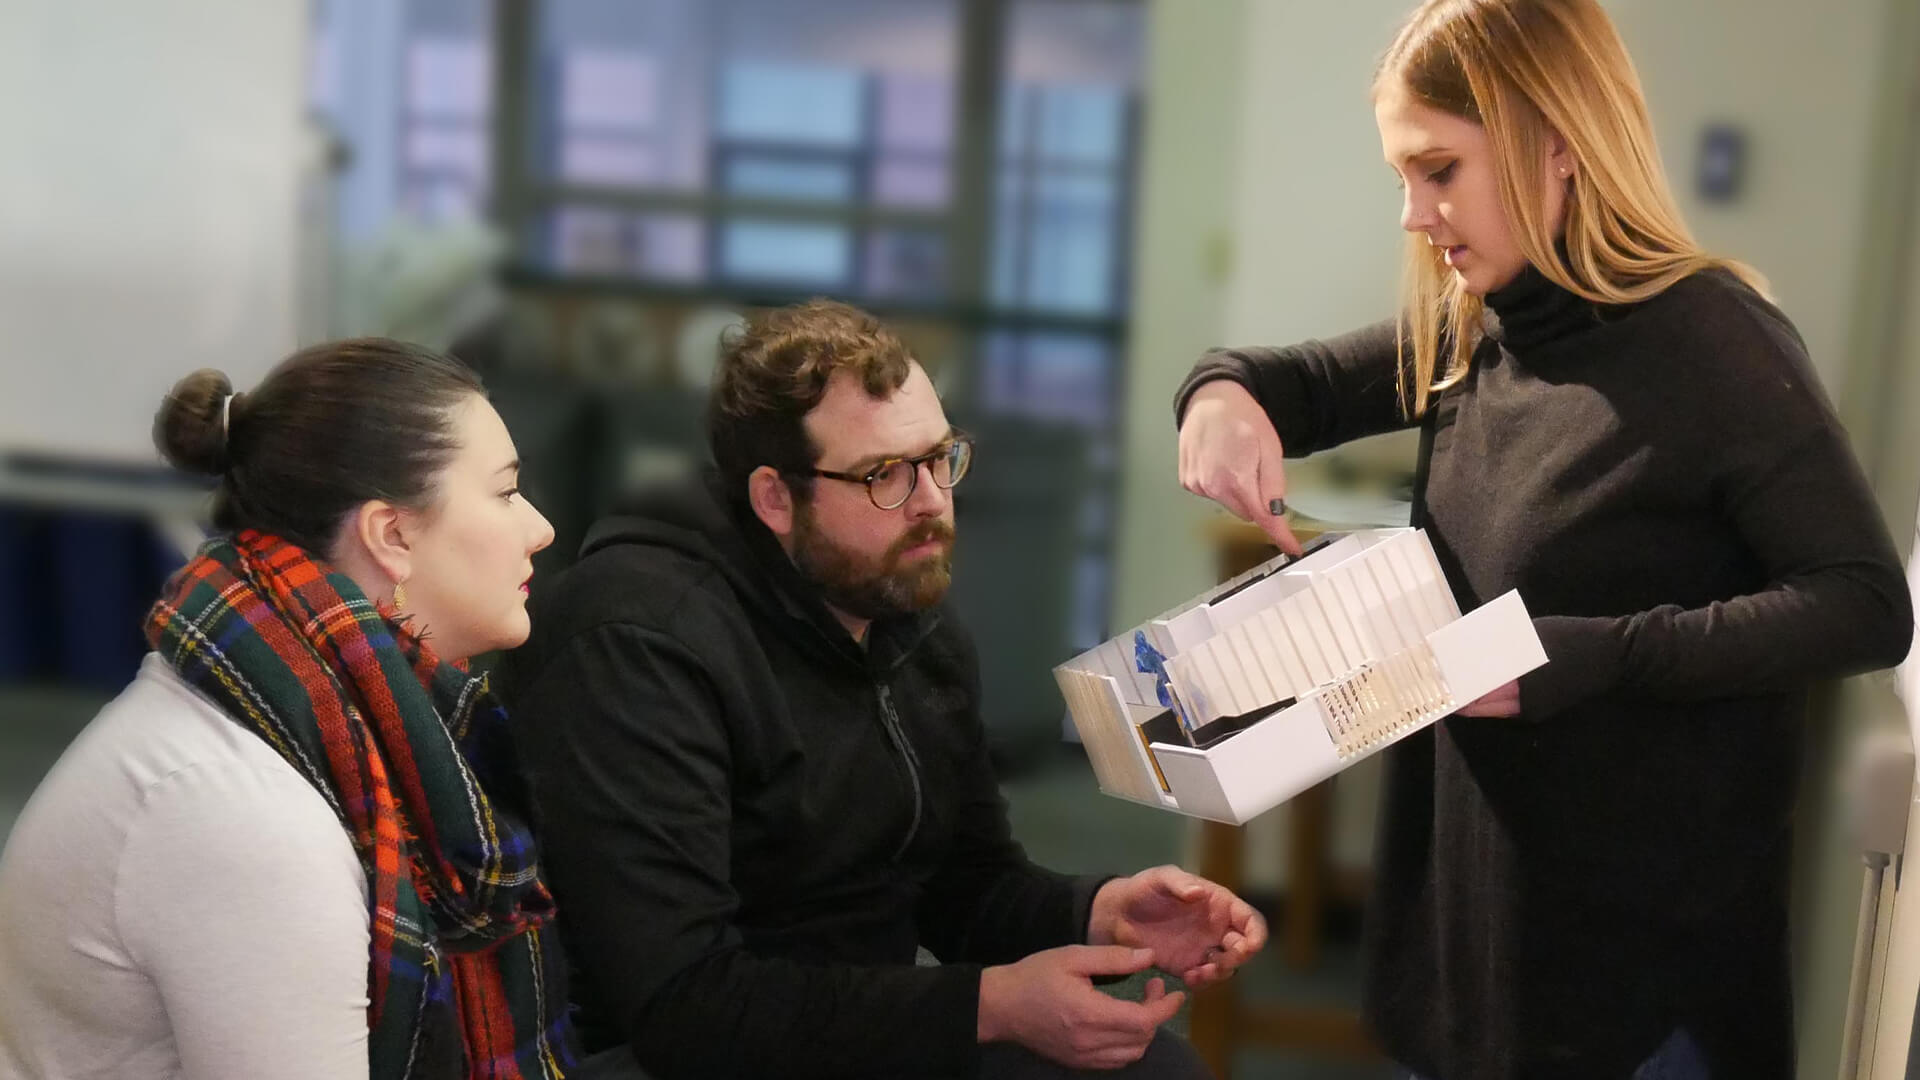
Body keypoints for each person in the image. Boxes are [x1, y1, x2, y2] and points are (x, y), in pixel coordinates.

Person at [1173, 1, 1914, 1077]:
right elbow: (1292, 379)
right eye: (1401, 181)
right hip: (1472, 956)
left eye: (1439, 171)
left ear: (1554, 147)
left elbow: (1863, 604)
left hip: (1637, 991)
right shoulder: (1478, 332)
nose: (1414, 216)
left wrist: (1586, 655)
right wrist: (1221, 393)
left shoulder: (1718, 343)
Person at [501, 300, 1265, 1079]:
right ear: (774, 497)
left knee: (1155, 1071)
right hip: (674, 1049)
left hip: (856, 1023)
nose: (933, 501)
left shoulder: (898, 605)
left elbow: (961, 882)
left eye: (941, 459)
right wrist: (990, 1005)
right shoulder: (636, 644)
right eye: (884, 476)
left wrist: (1101, 911)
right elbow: (684, 1003)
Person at [0, 340, 577, 1080]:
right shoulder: (238, 811)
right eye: (504, 493)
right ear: (391, 535)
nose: (539, 528)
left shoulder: (312, 719)